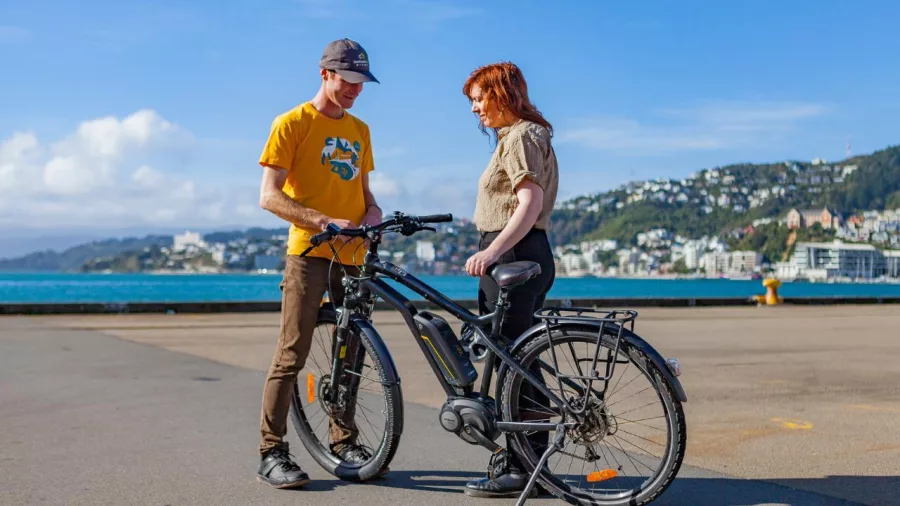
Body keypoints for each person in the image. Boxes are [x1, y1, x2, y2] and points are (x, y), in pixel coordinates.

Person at [255, 38, 384, 489]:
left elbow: (367, 198)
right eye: (348, 80)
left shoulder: (360, 130)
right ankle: (271, 451)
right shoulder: (292, 123)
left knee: (352, 352)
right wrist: (320, 220)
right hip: (309, 254)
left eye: (361, 82)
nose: (355, 89)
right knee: (293, 353)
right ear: (325, 73)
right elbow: (268, 196)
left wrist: (373, 217)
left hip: (355, 256)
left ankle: (343, 440)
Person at [461, 62, 559, 498]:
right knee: (520, 358)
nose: (476, 109)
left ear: (504, 94)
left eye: (481, 98)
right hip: (527, 253)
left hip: (513, 256)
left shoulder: (519, 136)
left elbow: (530, 202)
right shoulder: (527, 135)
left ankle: (523, 466)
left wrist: (493, 250)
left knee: (513, 364)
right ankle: (524, 458)